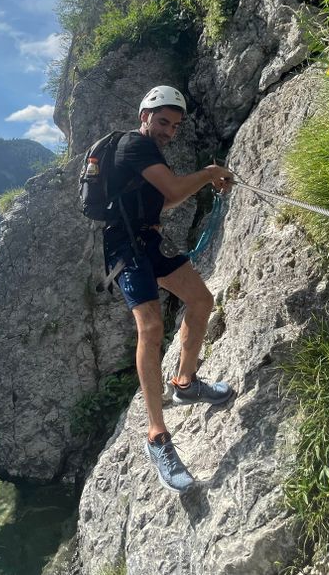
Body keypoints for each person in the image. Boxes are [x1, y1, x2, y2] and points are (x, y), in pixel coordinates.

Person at [103, 85, 235, 494]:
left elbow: (164, 201)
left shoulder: (146, 154)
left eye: (175, 126)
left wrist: (200, 185)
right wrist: (210, 174)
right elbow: (176, 190)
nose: (168, 131)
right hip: (125, 247)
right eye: (163, 122)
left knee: (201, 300)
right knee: (151, 328)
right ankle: (157, 436)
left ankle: (185, 383)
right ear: (144, 116)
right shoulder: (134, 146)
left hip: (147, 239)